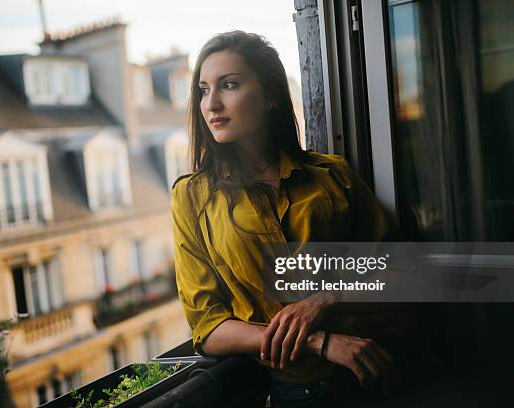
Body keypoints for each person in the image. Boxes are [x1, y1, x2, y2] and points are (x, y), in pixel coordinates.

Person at [171, 31, 410, 407]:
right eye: (203, 90)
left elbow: (402, 268)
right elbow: (208, 327)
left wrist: (324, 300)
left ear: (270, 96)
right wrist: (319, 342)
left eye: (229, 85)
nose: (211, 103)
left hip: (384, 371)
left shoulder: (331, 175)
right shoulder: (192, 198)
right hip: (298, 394)